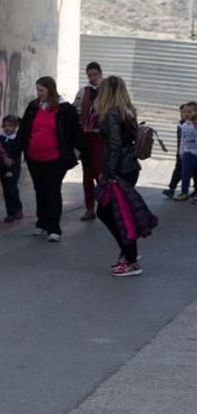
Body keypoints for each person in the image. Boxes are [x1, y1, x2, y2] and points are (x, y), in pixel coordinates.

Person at [93, 76, 157, 276]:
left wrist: (109, 173)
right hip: (128, 168)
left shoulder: (112, 114)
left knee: (114, 214)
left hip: (119, 170)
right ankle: (128, 252)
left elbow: (114, 145)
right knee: (114, 213)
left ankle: (130, 260)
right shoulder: (127, 111)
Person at [17, 76, 90, 242]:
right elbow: (24, 131)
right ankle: (41, 223)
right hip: (34, 156)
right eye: (37, 90)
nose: (38, 93)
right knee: (40, 189)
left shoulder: (64, 109)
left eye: (41, 90)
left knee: (53, 190)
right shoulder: (33, 107)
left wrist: (84, 152)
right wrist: (16, 151)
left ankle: (54, 228)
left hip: (55, 158)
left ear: (50, 89)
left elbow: (75, 132)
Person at [73, 62, 105, 221]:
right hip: (86, 136)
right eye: (90, 75)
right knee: (87, 173)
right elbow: (75, 110)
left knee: (99, 172)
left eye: (95, 74)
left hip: (102, 137)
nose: (93, 77)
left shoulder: (108, 91)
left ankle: (107, 204)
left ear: (100, 73)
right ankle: (90, 208)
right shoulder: (83, 91)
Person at [0, 114, 24, 221]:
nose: (7, 128)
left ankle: (17, 209)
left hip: (14, 168)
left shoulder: (17, 139)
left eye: (10, 126)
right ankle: (10, 213)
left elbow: (17, 155)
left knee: (12, 189)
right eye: (5, 126)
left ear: (15, 127)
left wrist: (11, 168)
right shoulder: (0, 138)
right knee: (6, 190)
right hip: (2, 168)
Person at [164, 103, 188, 199]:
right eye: (182, 112)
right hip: (181, 152)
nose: (184, 114)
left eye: (187, 112)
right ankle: (171, 189)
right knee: (178, 170)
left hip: (192, 152)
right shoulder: (180, 123)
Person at [178, 103, 197, 202]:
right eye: (185, 112)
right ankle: (184, 192)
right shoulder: (184, 125)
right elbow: (182, 140)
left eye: (190, 112)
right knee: (185, 173)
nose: (187, 114)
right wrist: (181, 152)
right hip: (188, 153)